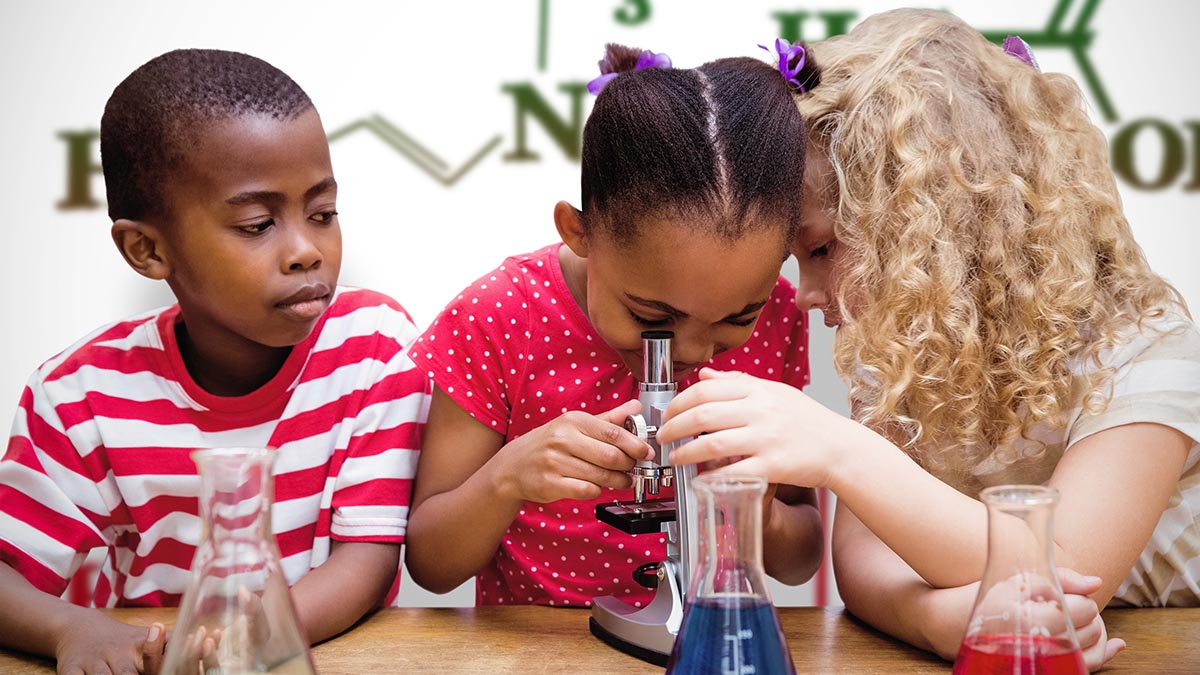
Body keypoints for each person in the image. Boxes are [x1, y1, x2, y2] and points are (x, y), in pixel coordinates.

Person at [657, 8, 1199, 671]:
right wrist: (940, 619)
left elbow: (1059, 564)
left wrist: (838, 449)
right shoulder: (908, 350)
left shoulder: (1146, 345)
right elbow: (863, 559)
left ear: (930, 227)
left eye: (822, 248)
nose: (802, 293)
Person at [0, 49, 429, 674]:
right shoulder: (78, 395)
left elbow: (364, 562)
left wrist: (239, 642)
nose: (306, 250)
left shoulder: (373, 347)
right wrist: (73, 630)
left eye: (323, 214)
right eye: (258, 225)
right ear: (147, 250)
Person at [404, 44, 824, 607]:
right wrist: (507, 478)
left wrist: (756, 508)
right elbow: (430, 562)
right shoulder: (498, 318)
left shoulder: (779, 315)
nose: (695, 352)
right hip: (537, 651)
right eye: (653, 318)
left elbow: (799, 561)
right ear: (579, 232)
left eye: (735, 319)